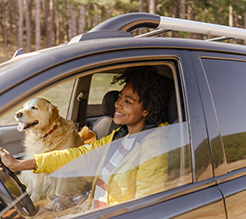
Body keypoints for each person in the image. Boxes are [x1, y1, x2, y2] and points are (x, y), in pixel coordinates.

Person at [0, 66, 174, 210]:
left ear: (147, 110)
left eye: (128, 101)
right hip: (92, 208)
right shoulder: (119, 135)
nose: (117, 103)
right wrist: (21, 164)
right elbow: (77, 154)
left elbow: (146, 208)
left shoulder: (155, 146)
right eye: (119, 97)